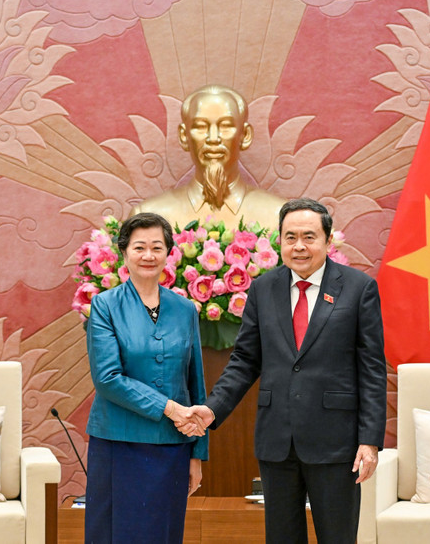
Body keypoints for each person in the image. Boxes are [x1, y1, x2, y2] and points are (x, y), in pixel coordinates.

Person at [180, 198, 387, 544]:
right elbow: (246, 360)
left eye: (309, 236)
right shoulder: (263, 289)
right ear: (279, 241)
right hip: (277, 440)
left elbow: (372, 369)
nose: (299, 246)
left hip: (336, 441)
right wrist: (212, 408)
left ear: (327, 240)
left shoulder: (357, 288)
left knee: (337, 537)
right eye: (290, 237)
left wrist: (369, 440)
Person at [84, 212, 208, 544]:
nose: (149, 255)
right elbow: (108, 378)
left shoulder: (185, 310)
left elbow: (195, 382)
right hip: (118, 444)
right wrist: (170, 408)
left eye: (157, 247)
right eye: (140, 247)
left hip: (173, 447)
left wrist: (197, 452)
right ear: (124, 252)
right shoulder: (105, 306)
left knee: (164, 534)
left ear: (169, 253)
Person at [130, 84, 285, 230]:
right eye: (200, 126)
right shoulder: (148, 217)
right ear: (184, 136)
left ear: (245, 135)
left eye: (225, 126)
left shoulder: (278, 216)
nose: (213, 138)